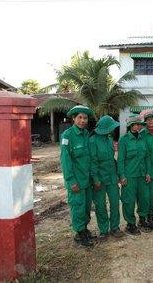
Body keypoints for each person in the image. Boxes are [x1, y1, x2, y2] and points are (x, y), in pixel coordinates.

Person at [60, 105, 95, 247]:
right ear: (73, 119)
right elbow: (65, 160)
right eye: (79, 117)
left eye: (85, 118)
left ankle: (84, 229)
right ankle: (79, 233)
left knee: (86, 207)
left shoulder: (87, 135)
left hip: (87, 180)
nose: (82, 120)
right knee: (78, 207)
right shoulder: (67, 136)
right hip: (76, 181)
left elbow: (90, 158)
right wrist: (71, 180)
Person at [89, 115, 124, 240]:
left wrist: (119, 175)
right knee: (101, 205)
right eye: (111, 127)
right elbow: (92, 162)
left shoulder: (109, 139)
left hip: (112, 177)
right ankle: (104, 230)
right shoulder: (92, 141)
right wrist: (96, 179)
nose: (113, 130)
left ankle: (115, 227)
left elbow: (112, 159)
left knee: (115, 203)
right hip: (99, 179)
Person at [118, 115, 151, 234]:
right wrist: (122, 176)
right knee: (129, 201)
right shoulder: (124, 140)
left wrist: (148, 172)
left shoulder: (143, 138)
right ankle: (130, 224)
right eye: (138, 124)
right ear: (131, 126)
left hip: (142, 175)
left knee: (144, 198)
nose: (140, 126)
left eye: (140, 124)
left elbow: (146, 157)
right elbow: (120, 160)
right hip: (130, 176)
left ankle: (142, 220)